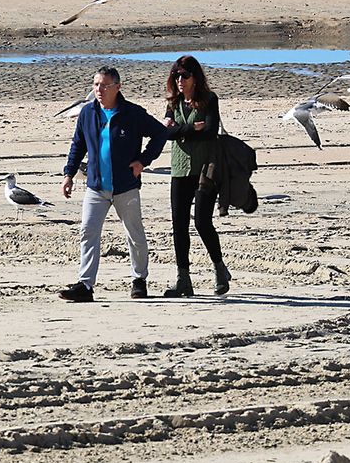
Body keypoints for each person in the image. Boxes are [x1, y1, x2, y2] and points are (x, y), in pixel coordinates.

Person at [59, 66, 168, 302]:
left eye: (104, 85)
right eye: (96, 84)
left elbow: (160, 134)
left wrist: (143, 161)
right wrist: (69, 174)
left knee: (134, 234)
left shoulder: (133, 113)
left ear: (117, 88)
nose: (99, 90)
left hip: (126, 186)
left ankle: (139, 280)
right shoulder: (88, 113)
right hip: (96, 186)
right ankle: (85, 286)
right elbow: (78, 145)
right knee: (88, 231)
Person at [162, 54, 231, 297]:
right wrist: (191, 128)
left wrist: (179, 131)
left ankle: (220, 269)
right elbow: (165, 134)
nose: (179, 80)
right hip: (180, 168)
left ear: (195, 77)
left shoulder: (209, 100)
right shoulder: (173, 101)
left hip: (206, 169)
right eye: (176, 75)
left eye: (184, 76)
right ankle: (183, 279)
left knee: (202, 222)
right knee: (178, 225)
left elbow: (210, 131)